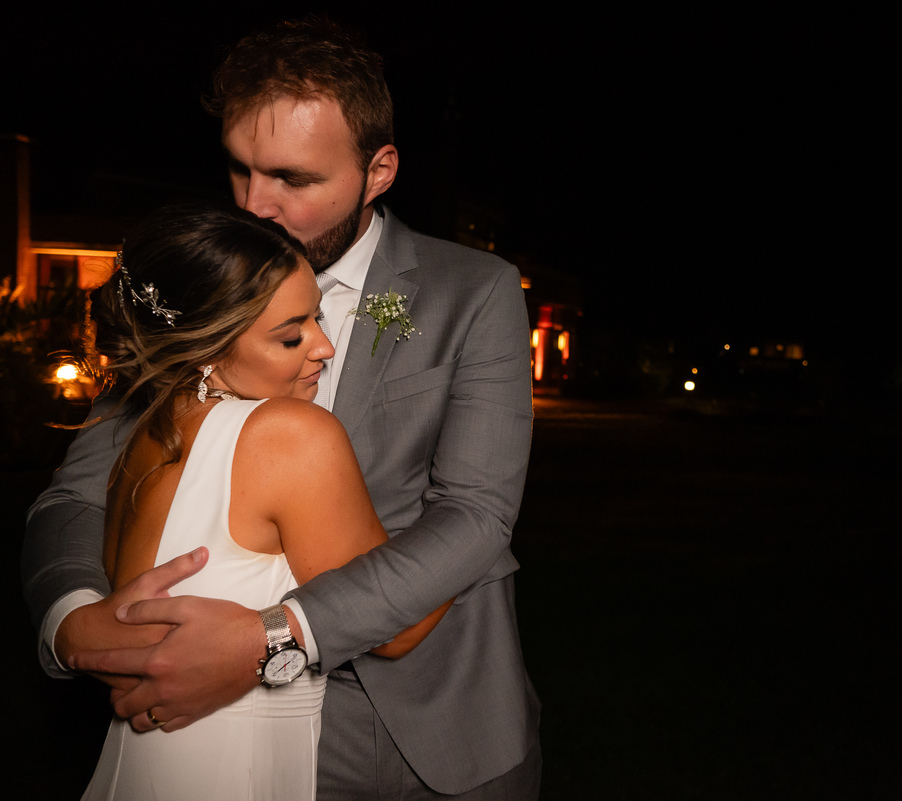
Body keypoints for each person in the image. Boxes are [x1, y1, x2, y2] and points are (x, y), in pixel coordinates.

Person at [22, 18, 540, 800]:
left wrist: (276, 636)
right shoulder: (206, 280)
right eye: (240, 170)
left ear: (379, 170)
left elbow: (474, 512)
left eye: (293, 179)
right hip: (214, 722)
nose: (256, 205)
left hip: (435, 727)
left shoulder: (475, 292)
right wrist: (72, 621)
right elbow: (75, 489)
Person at [79, 204, 452, 800]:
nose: (325, 348)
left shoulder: (142, 431)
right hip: (230, 771)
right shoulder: (287, 435)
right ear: (207, 346)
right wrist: (467, 515)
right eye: (291, 335)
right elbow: (397, 628)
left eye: (316, 319)